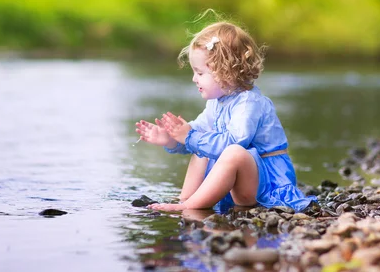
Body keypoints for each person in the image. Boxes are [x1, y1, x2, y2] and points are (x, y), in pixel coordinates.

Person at [135, 21, 317, 213]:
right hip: (243, 182)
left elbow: (235, 142)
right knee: (201, 143)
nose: (194, 79)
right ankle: (187, 199)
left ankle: (189, 206)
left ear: (226, 72)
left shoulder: (249, 103)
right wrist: (171, 140)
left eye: (200, 72)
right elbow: (197, 138)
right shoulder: (216, 102)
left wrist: (190, 136)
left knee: (232, 151)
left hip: (267, 183)